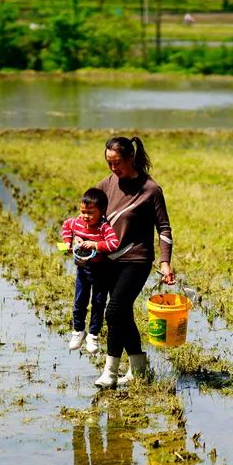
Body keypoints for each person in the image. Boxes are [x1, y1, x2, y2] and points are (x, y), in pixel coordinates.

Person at [93, 135, 176, 389]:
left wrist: (165, 262)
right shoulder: (106, 185)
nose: (113, 168)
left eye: (117, 162)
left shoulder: (151, 190)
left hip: (136, 260)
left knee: (115, 310)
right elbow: (91, 217)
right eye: (108, 162)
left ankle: (110, 371)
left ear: (131, 158)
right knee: (123, 312)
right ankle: (139, 367)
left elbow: (164, 228)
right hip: (109, 260)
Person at [62, 188, 120, 354]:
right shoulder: (77, 222)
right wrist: (67, 242)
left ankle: (93, 334)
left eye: (90, 213)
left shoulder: (103, 227)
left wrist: (96, 244)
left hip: (101, 270)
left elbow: (114, 243)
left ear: (101, 212)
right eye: (83, 211)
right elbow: (67, 225)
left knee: (99, 302)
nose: (85, 216)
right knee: (80, 300)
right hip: (83, 268)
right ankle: (78, 331)